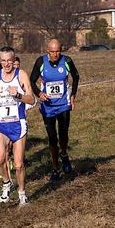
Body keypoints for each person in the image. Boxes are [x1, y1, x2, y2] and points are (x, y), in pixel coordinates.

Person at [0, 46, 35, 205]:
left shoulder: (21, 75)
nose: (6, 64)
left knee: (19, 164)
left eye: (9, 61)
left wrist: (19, 95)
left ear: (14, 61)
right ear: (0, 62)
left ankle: (22, 193)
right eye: (3, 61)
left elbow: (32, 100)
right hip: (1, 124)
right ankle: (7, 183)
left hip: (18, 124)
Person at [30, 39, 80, 183]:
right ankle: (55, 169)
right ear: (47, 50)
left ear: (61, 49)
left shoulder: (67, 61)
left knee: (63, 135)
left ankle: (64, 155)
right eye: (52, 51)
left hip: (63, 104)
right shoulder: (40, 62)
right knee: (52, 138)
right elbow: (32, 80)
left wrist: (73, 95)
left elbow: (76, 76)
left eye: (57, 51)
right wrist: (39, 93)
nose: (55, 54)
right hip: (48, 107)